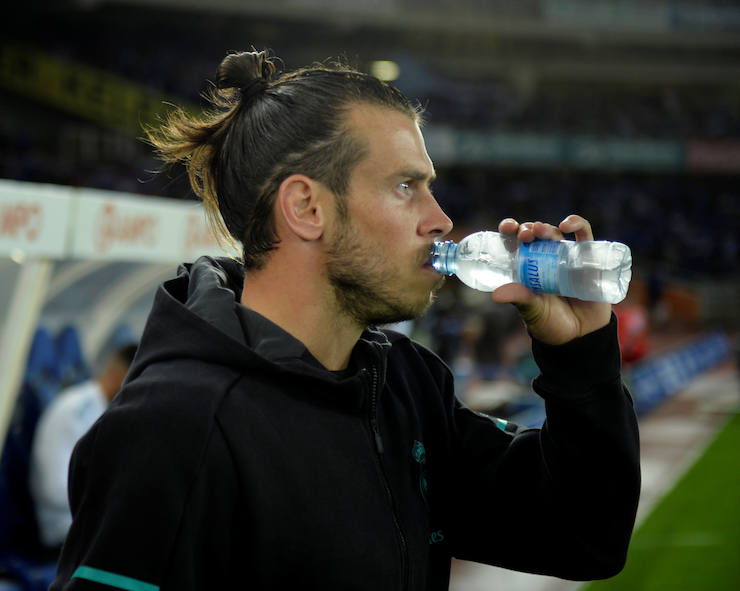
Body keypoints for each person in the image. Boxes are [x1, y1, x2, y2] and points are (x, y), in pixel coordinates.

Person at [51, 51, 640, 590]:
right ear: (308, 208)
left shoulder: (404, 386)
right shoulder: (172, 429)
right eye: (406, 187)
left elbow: (586, 536)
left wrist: (580, 357)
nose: (440, 220)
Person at [30, 343, 137, 548]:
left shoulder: (107, 410)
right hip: (65, 529)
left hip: (90, 523)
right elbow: (53, 489)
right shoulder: (75, 410)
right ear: (117, 375)